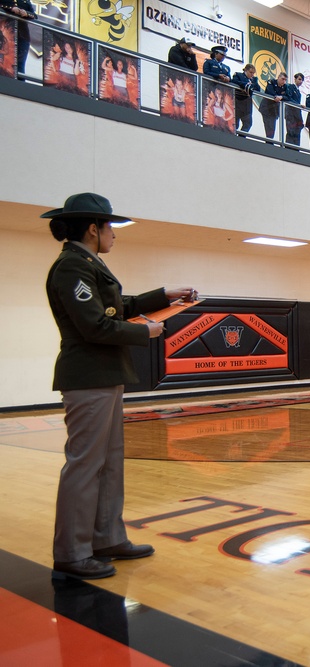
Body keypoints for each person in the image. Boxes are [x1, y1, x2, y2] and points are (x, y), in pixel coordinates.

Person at [41, 193, 198, 579]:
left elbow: (115, 306)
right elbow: (94, 325)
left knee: (108, 463)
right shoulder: (70, 268)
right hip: (88, 376)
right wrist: (145, 331)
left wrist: (163, 295)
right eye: (110, 227)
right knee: (85, 465)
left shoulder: (85, 264)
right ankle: (73, 552)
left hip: (105, 376)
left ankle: (106, 538)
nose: (114, 234)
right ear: (92, 229)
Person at [0, 0, 35, 76]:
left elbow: (34, 15)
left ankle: (20, 84)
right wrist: (10, 8)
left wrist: (26, 13)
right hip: (4, 33)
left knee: (20, 64)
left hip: (22, 34)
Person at [231, 64, 260, 133]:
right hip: (238, 100)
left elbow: (258, 89)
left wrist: (252, 84)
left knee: (248, 123)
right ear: (246, 70)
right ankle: (233, 137)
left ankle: (241, 137)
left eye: (253, 73)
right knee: (235, 123)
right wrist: (245, 84)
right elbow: (234, 81)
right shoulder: (238, 75)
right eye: (250, 72)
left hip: (247, 103)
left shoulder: (254, 79)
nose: (252, 74)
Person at [260, 71, 288, 142]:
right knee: (268, 126)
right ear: (278, 77)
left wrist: (281, 97)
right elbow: (270, 92)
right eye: (282, 79)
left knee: (272, 128)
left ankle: (269, 142)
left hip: (274, 110)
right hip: (266, 108)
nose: (284, 81)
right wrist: (276, 96)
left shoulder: (285, 87)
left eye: (285, 80)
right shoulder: (271, 82)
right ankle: (269, 142)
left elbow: (288, 97)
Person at [284, 73, 304, 147]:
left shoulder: (299, 92)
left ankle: (296, 148)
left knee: (297, 131)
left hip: (296, 114)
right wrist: (298, 105)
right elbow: (289, 98)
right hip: (290, 112)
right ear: (295, 79)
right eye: (299, 79)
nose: (301, 81)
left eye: (302, 80)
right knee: (291, 131)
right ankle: (289, 148)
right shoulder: (290, 87)